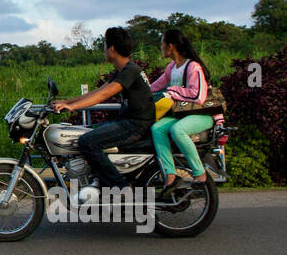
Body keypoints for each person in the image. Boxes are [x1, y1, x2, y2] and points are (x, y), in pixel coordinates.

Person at [53, 27, 155, 189]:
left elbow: (103, 95)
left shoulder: (130, 71)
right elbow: (97, 92)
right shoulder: (124, 69)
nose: (103, 50)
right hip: (128, 121)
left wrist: (72, 107)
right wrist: (67, 102)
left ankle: (120, 188)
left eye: (104, 46)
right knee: (85, 132)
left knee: (87, 142)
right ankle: (97, 181)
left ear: (112, 49)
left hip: (135, 125)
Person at [149, 29, 215, 195]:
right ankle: (170, 175)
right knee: (156, 129)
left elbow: (199, 96)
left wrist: (173, 90)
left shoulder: (193, 67)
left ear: (170, 47)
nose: (161, 48)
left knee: (177, 130)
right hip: (182, 114)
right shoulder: (172, 67)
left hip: (201, 115)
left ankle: (200, 175)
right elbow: (156, 86)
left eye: (162, 44)